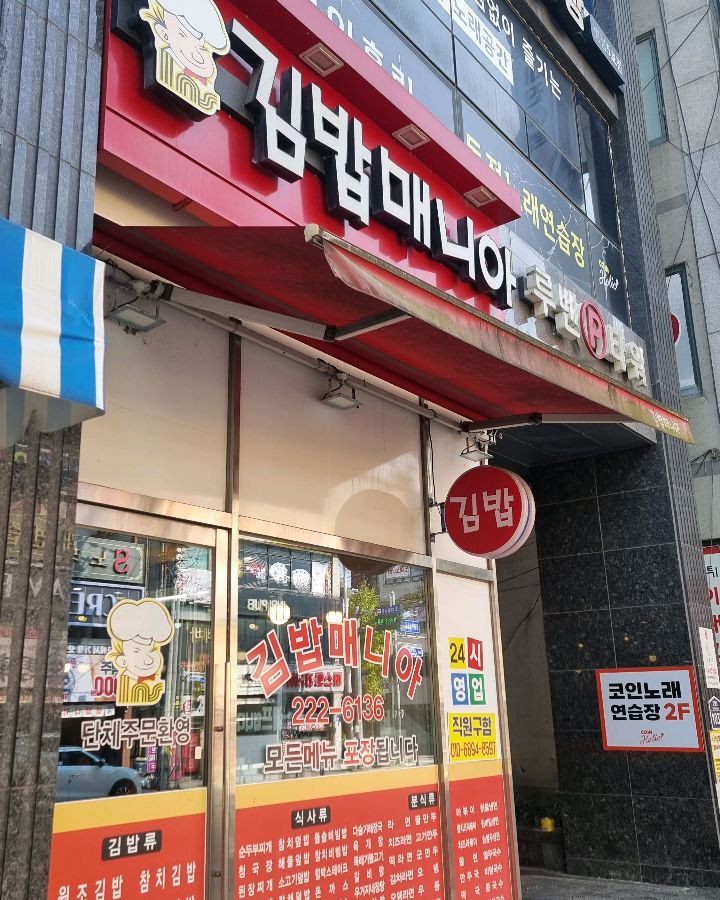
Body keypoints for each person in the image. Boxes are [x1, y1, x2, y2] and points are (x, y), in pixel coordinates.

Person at [139, 0, 230, 116]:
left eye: (201, 44)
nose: (194, 46)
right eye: (183, 34)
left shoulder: (204, 74)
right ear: (163, 33)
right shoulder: (166, 62)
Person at [105, 598, 175, 706]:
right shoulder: (125, 680)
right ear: (122, 660)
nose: (148, 660)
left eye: (151, 650)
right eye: (137, 651)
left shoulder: (151, 678)